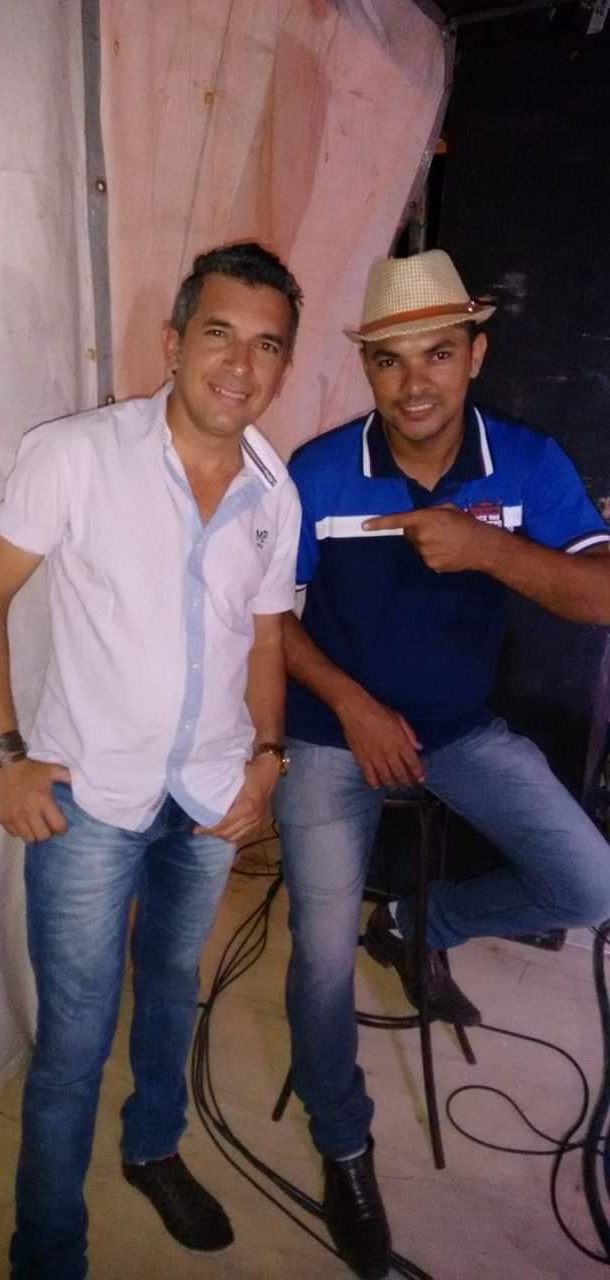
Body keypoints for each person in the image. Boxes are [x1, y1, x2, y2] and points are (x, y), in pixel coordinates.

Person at [0, 241, 302, 1280]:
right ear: (173, 342)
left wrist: (268, 757)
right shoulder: (75, 455)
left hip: (209, 797)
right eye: (220, 334)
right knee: (72, 1040)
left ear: (284, 365)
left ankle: (153, 1145)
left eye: (267, 346)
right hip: (89, 803)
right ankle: (47, 1252)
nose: (240, 364)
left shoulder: (274, 492)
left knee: (171, 989)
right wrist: (4, 759)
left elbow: (267, 640)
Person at [273, 248, 610, 1280]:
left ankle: (422, 923)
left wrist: (488, 548)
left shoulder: (527, 463)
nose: (414, 382)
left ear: (475, 355)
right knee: (319, 957)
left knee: (590, 883)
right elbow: (265, 620)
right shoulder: (317, 470)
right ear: (367, 369)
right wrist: (351, 704)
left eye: (437, 353)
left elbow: (600, 593)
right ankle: (344, 1145)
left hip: (459, 728)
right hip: (330, 732)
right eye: (389, 360)